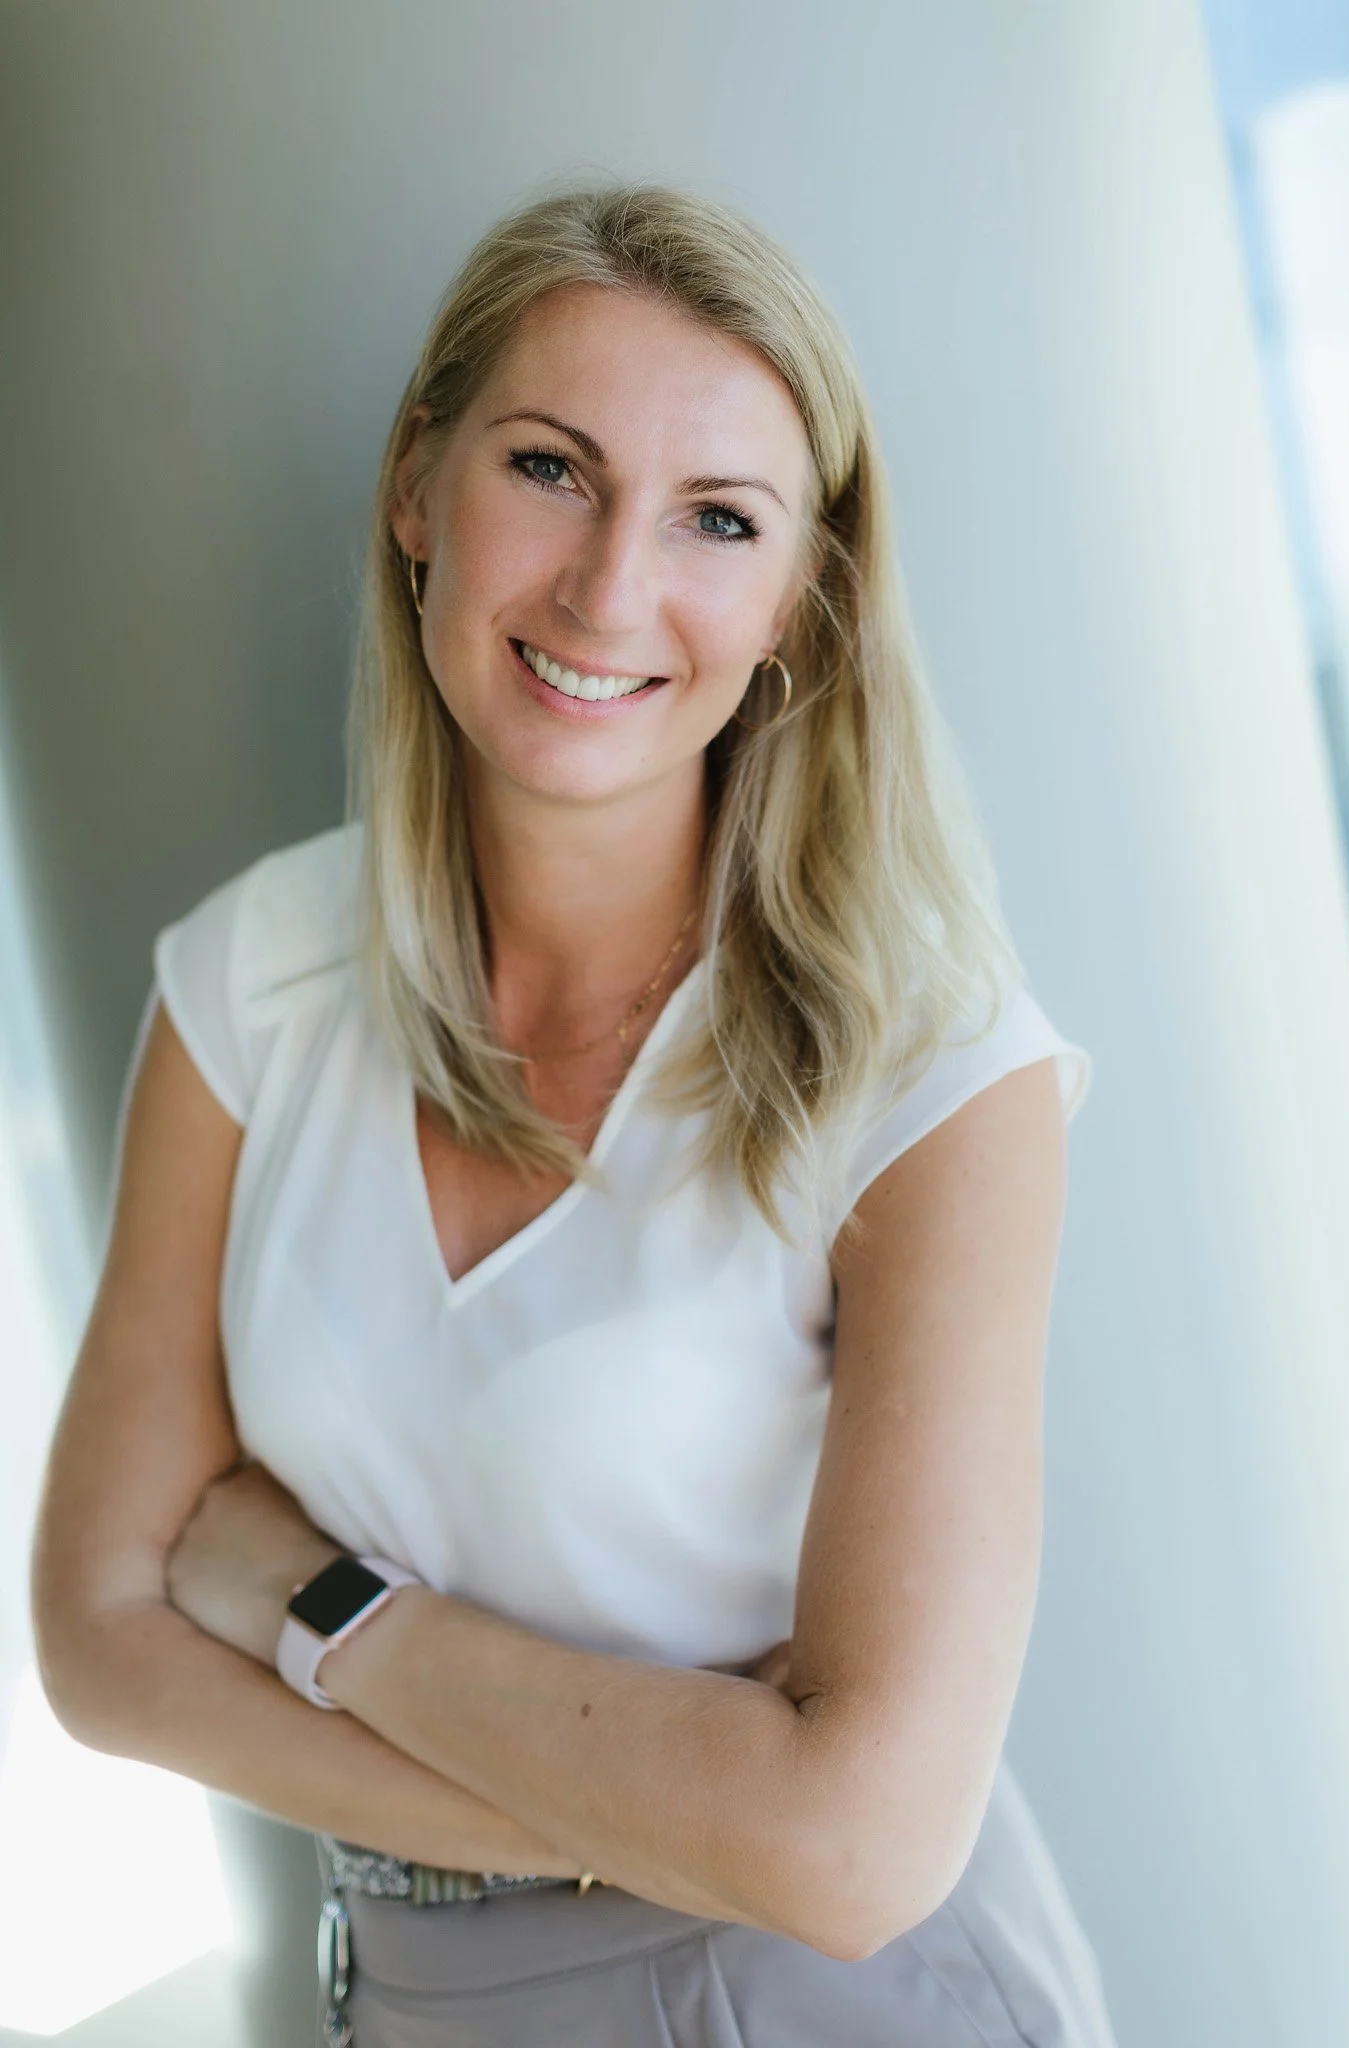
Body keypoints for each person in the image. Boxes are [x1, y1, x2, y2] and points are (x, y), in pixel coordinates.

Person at [32, 184, 1117, 2045]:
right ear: (416, 486)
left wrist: (316, 1602)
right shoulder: (250, 984)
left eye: (718, 519)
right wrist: (689, 1812)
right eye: (551, 469)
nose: (611, 591)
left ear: (798, 600)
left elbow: (855, 1854)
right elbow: (99, 1637)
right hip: (411, 1995)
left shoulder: (933, 1070)